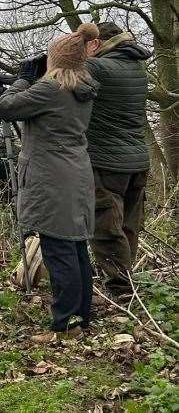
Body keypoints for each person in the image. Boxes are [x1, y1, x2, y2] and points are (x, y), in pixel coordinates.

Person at [0, 23, 100, 343]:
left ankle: (66, 324)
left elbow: (6, 107)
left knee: (57, 249)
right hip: (77, 173)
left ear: (55, 61)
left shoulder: (49, 90)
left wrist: (23, 78)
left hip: (51, 178)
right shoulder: (83, 88)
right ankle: (81, 316)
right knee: (75, 247)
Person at [84, 22, 152, 299]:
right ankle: (124, 280)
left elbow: (59, 79)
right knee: (127, 226)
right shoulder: (137, 68)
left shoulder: (99, 68)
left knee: (106, 227)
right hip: (137, 161)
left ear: (98, 43)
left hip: (107, 162)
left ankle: (120, 290)